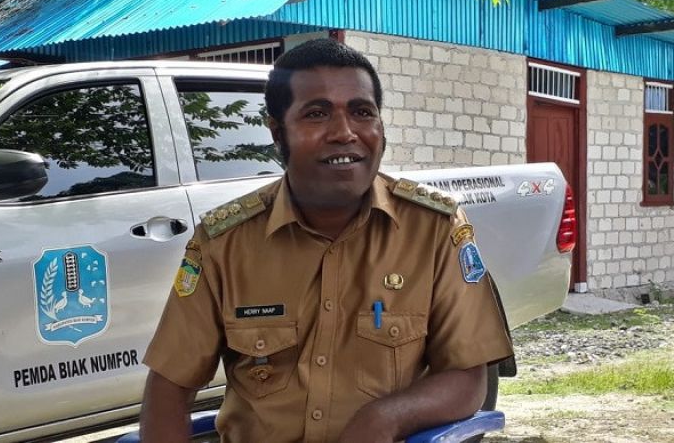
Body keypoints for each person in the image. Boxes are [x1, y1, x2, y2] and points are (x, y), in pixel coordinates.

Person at [140, 38, 513, 443]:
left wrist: (384, 419)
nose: (344, 132)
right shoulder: (225, 243)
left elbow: (467, 375)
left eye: (362, 112)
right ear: (277, 132)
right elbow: (169, 386)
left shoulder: (433, 229)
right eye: (316, 114)